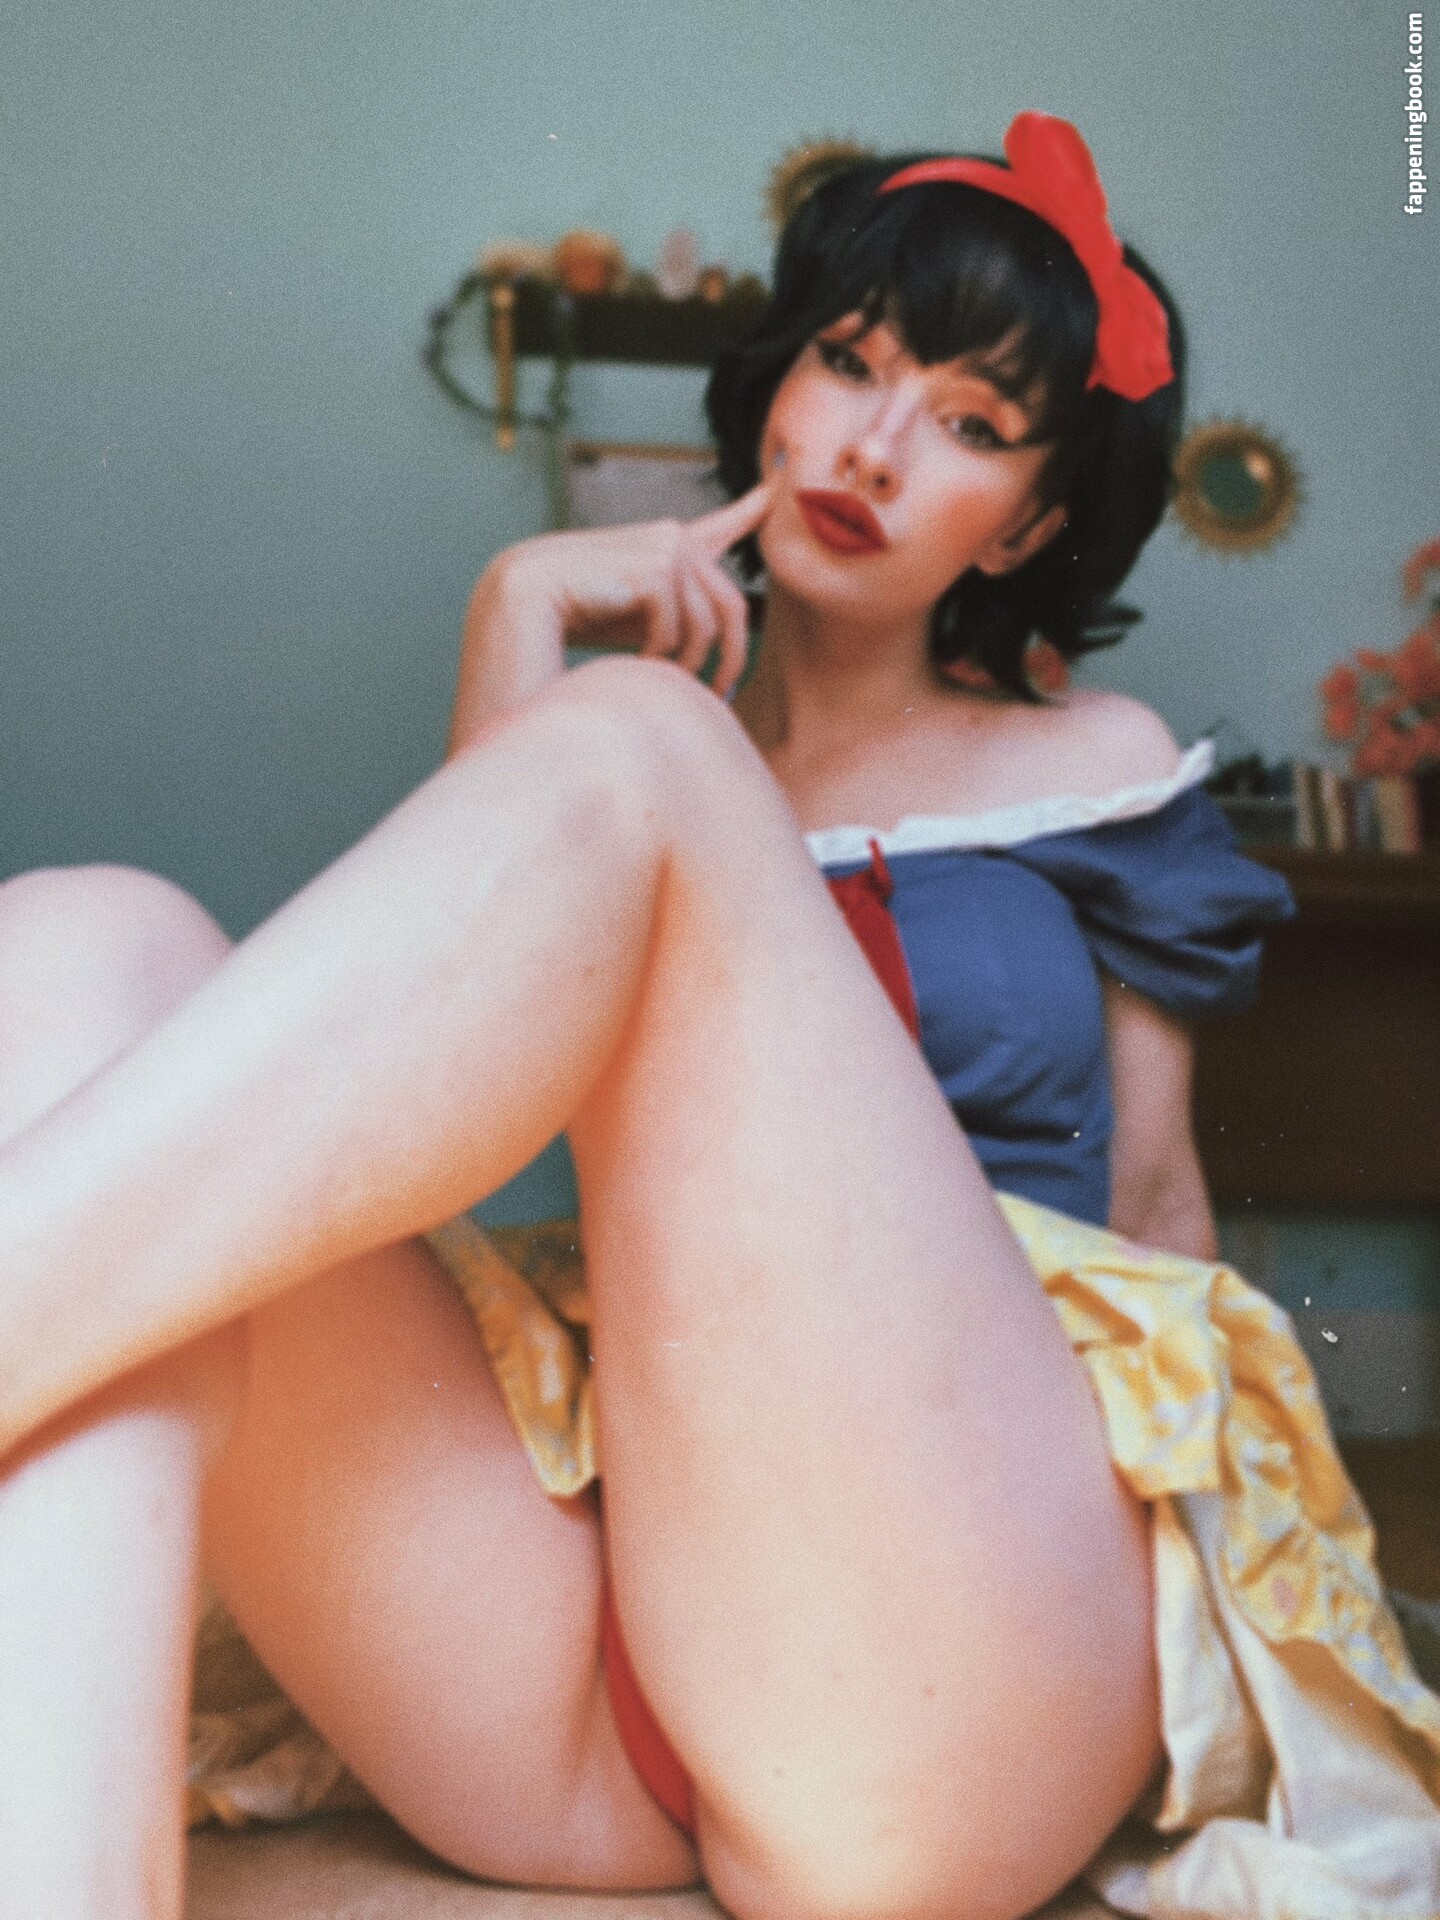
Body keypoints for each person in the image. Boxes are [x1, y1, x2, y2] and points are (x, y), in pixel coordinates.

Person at [0, 112, 1435, 1920]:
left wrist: (1250, 1673)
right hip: (612, 1660)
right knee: (83, 944)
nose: (874, 445)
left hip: (960, 1647)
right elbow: (448, 1094)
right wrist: (517, 605)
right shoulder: (637, 765)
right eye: (852, 361)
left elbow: (1158, 1212)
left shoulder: (1091, 763)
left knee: (651, 745)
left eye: (972, 427)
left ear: (1035, 521)